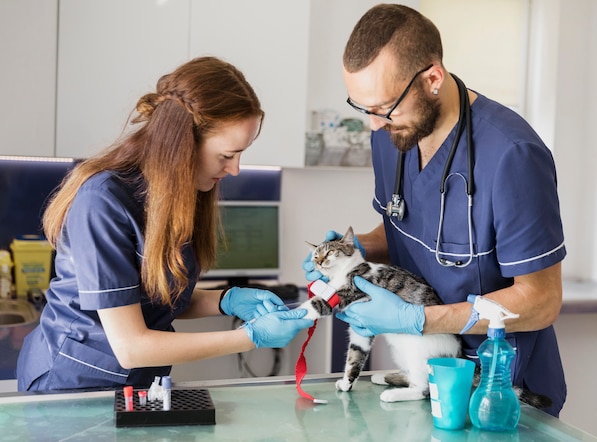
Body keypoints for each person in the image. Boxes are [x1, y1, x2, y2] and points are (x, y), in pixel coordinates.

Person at [304, 4, 566, 417]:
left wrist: (420, 320)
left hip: (498, 388)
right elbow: (406, 228)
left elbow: (542, 300)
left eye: (385, 107)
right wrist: (353, 253)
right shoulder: (391, 134)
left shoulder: (513, 155)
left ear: (432, 78)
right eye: (362, 108)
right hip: (426, 374)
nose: (373, 125)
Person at [18, 56, 313, 392]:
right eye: (227, 155)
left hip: (138, 385)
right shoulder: (102, 202)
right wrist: (249, 337)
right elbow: (130, 347)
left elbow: (155, 295)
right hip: (71, 386)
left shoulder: (179, 197)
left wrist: (225, 299)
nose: (235, 170)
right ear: (184, 145)